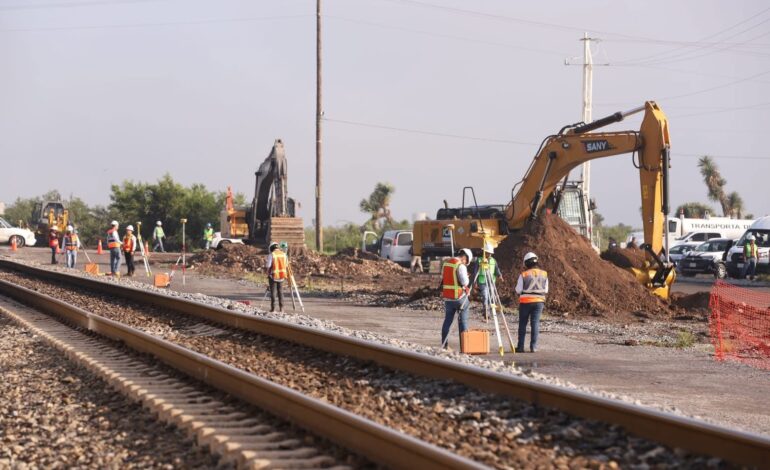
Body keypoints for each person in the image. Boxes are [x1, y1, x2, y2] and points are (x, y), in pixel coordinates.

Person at [515, 252, 549, 353]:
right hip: (539, 302)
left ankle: (520, 347)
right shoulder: (544, 274)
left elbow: (518, 290)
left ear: (526, 263)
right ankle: (533, 347)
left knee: (523, 324)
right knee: (535, 324)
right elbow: (546, 290)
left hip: (525, 302)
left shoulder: (524, 274)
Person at [440, 248, 473, 349]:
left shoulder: (446, 263)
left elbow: (446, 277)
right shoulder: (460, 265)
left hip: (448, 298)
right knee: (463, 321)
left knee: (447, 321)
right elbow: (465, 282)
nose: (465, 263)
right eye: (466, 262)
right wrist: (467, 277)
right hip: (459, 297)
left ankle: (444, 346)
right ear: (465, 257)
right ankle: (464, 348)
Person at [471, 241, 503, 322]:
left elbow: (496, 269)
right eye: (487, 253)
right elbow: (475, 272)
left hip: (491, 281)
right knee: (485, 296)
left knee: (491, 297)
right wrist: (474, 282)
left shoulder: (493, 261)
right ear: (484, 252)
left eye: (490, 253)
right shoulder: (479, 260)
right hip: (482, 281)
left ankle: (491, 313)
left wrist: (500, 276)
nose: (489, 254)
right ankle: (486, 313)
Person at [265, 242, 288, 312]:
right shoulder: (284, 254)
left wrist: (268, 271)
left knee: (273, 292)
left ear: (271, 248)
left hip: (273, 276)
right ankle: (282, 308)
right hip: (281, 276)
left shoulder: (271, 255)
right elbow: (286, 265)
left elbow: (268, 266)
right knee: (280, 292)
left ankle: (273, 308)